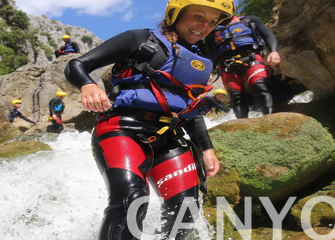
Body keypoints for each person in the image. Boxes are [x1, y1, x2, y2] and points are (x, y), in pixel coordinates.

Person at [64, 0, 231, 239]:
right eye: (198, 17)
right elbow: (77, 64)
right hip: (122, 130)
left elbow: (191, 110)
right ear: (176, 14)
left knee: (186, 209)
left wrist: (207, 149)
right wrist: (87, 84)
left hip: (168, 136)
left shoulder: (200, 61)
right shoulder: (140, 39)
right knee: (133, 199)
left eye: (212, 22)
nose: (204, 26)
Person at [208, 14, 280, 118]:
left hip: (251, 58)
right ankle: (243, 127)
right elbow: (210, 53)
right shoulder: (211, 29)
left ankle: (271, 118)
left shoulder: (249, 19)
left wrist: (274, 51)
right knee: (236, 97)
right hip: (227, 65)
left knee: (260, 88)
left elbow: (267, 34)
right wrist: (209, 71)